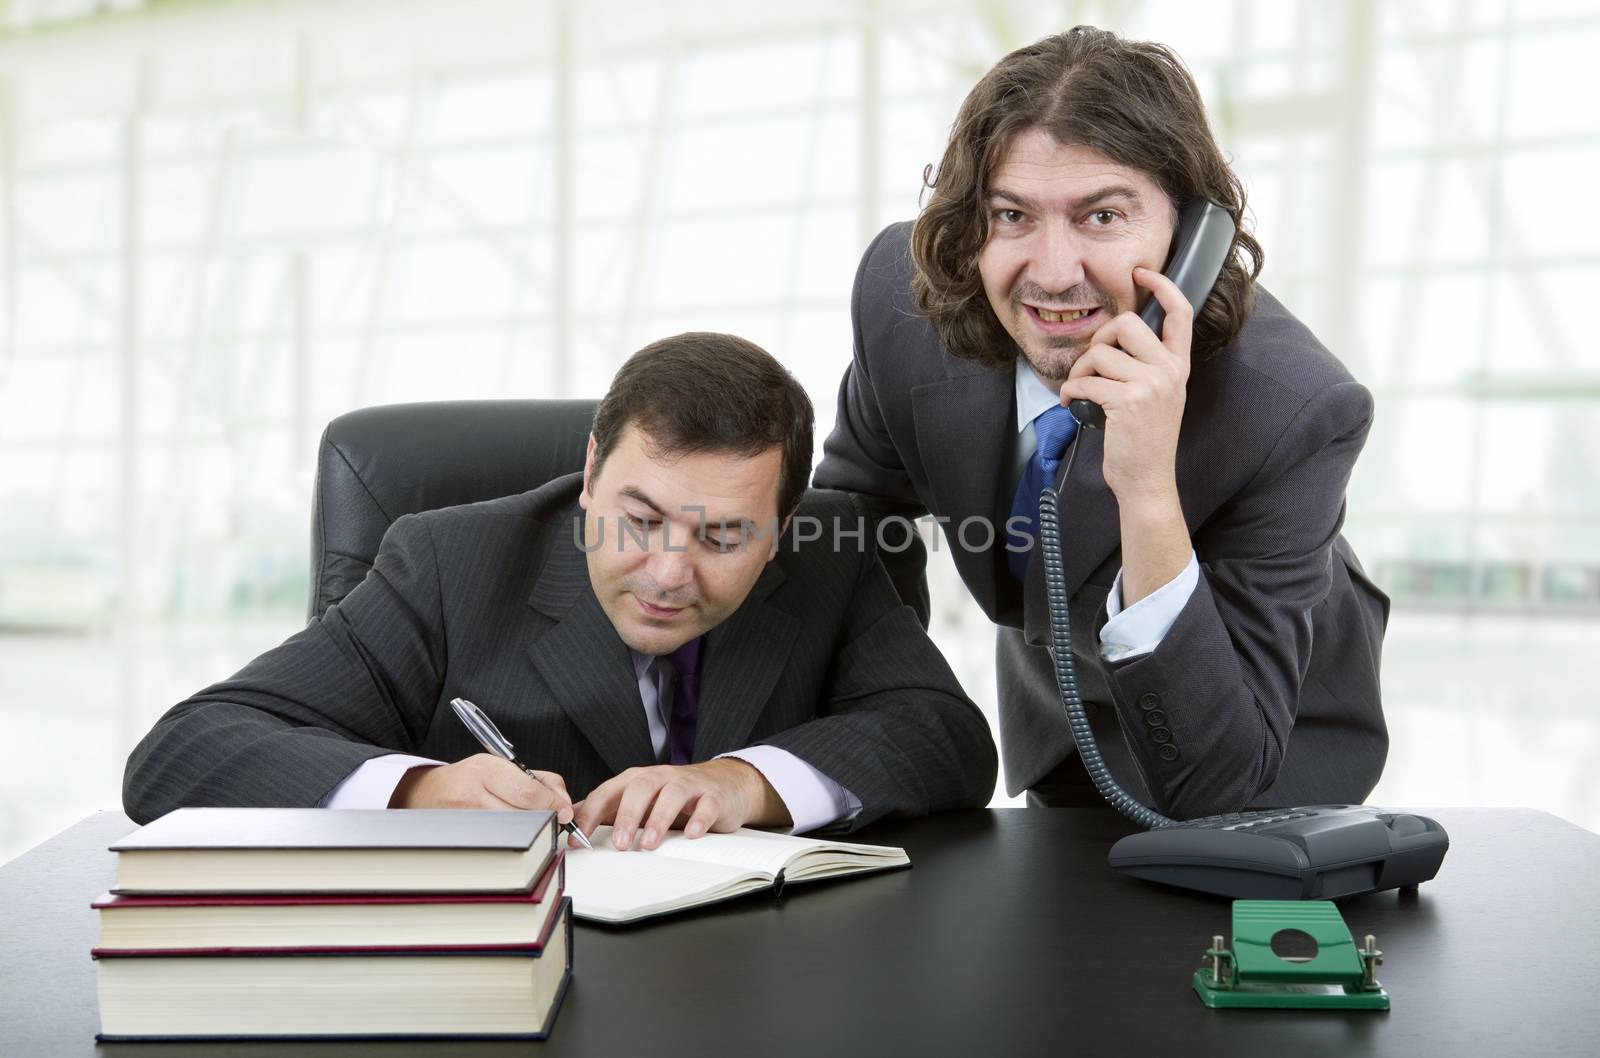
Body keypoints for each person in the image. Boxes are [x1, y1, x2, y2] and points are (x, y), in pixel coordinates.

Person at [814, 26, 1389, 818]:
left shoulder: (1291, 408)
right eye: (1011, 215)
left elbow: (1221, 781)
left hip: (1264, 749)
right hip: (1061, 731)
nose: (1052, 274)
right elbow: (857, 528)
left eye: (1102, 217)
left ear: (1191, 236)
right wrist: (885, 718)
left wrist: (1147, 488)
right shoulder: (899, 300)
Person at [123, 333, 998, 847]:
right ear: (589, 474)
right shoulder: (445, 562)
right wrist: (422, 793)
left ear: (779, 528)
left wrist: (742, 784)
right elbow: (181, 755)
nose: (666, 571)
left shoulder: (831, 552)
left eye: (724, 536)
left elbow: (948, 740)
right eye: (640, 517)